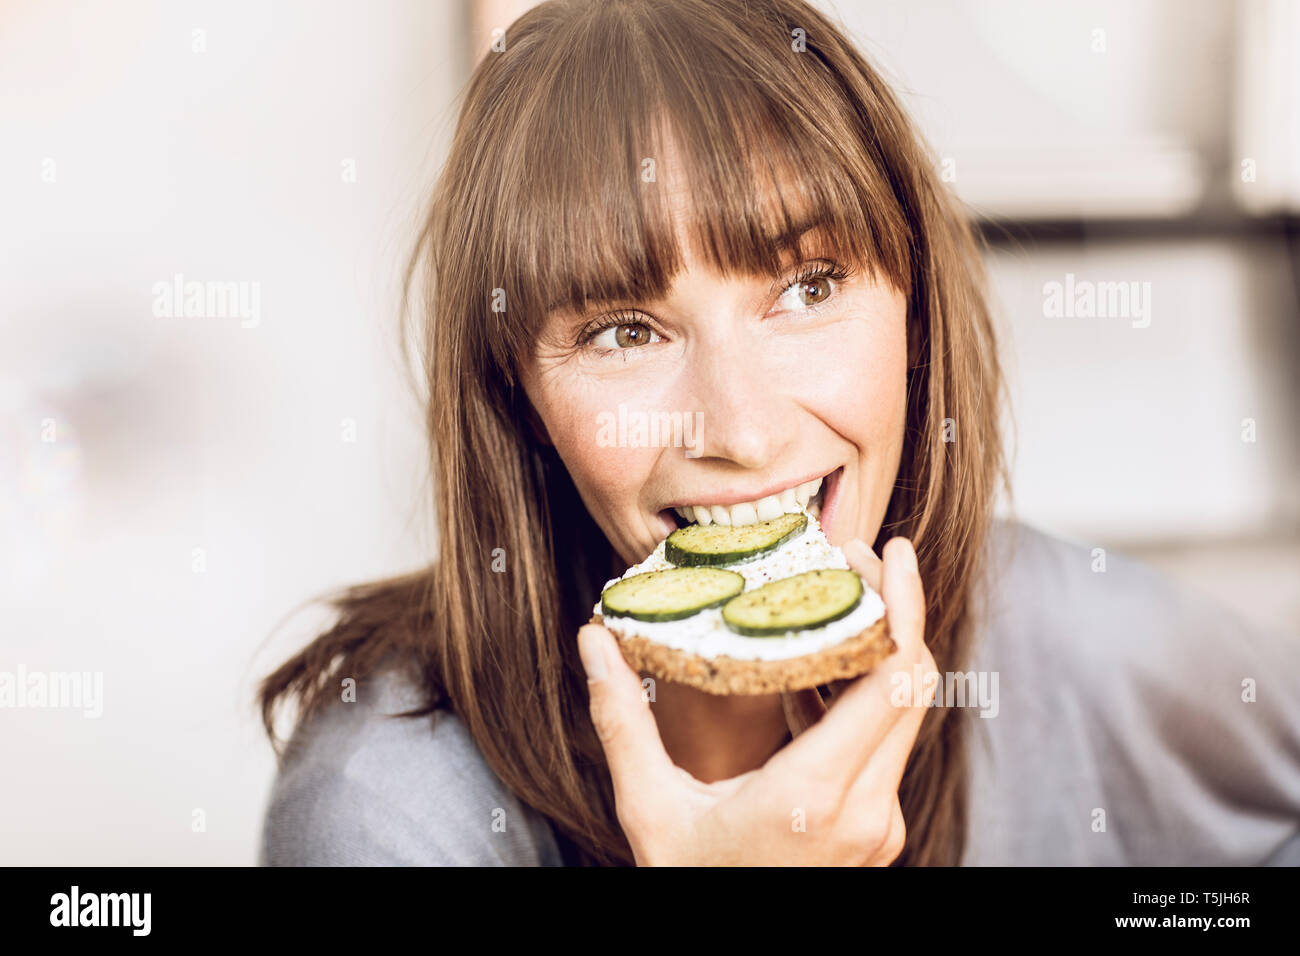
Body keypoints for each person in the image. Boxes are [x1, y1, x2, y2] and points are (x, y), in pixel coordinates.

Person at [256, 0, 1300, 866]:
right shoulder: (382, 810)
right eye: (625, 331)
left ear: (914, 313)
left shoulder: (1092, 640)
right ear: (517, 395)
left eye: (807, 286)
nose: (742, 430)